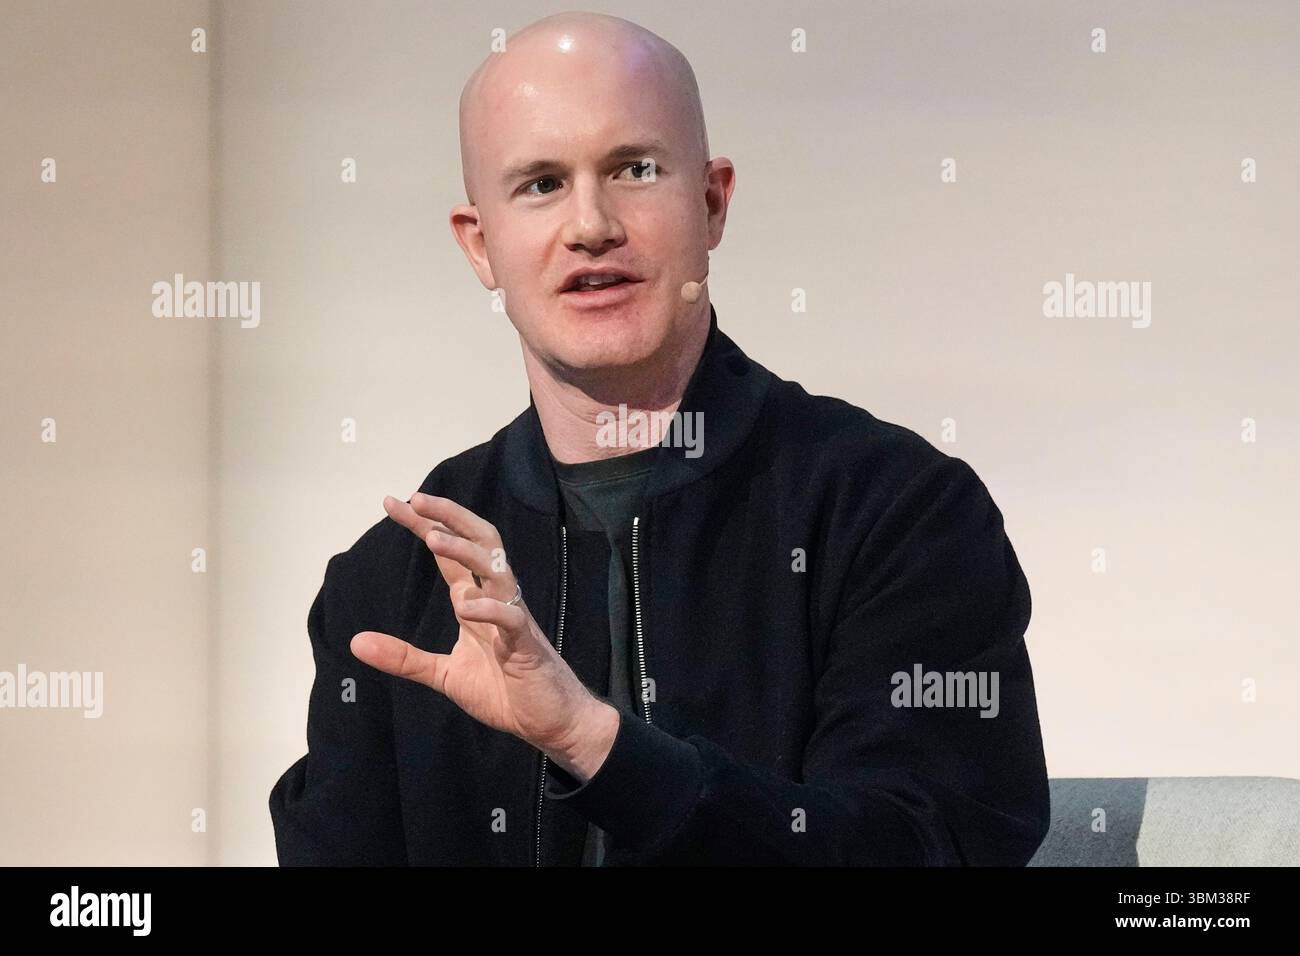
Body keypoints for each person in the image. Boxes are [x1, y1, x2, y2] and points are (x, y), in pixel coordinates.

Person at [268, 11, 1050, 866]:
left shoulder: (898, 514)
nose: (591, 224)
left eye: (634, 169)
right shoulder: (395, 582)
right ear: (479, 245)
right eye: (539, 184)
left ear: (711, 202)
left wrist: (594, 744)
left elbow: (927, 847)